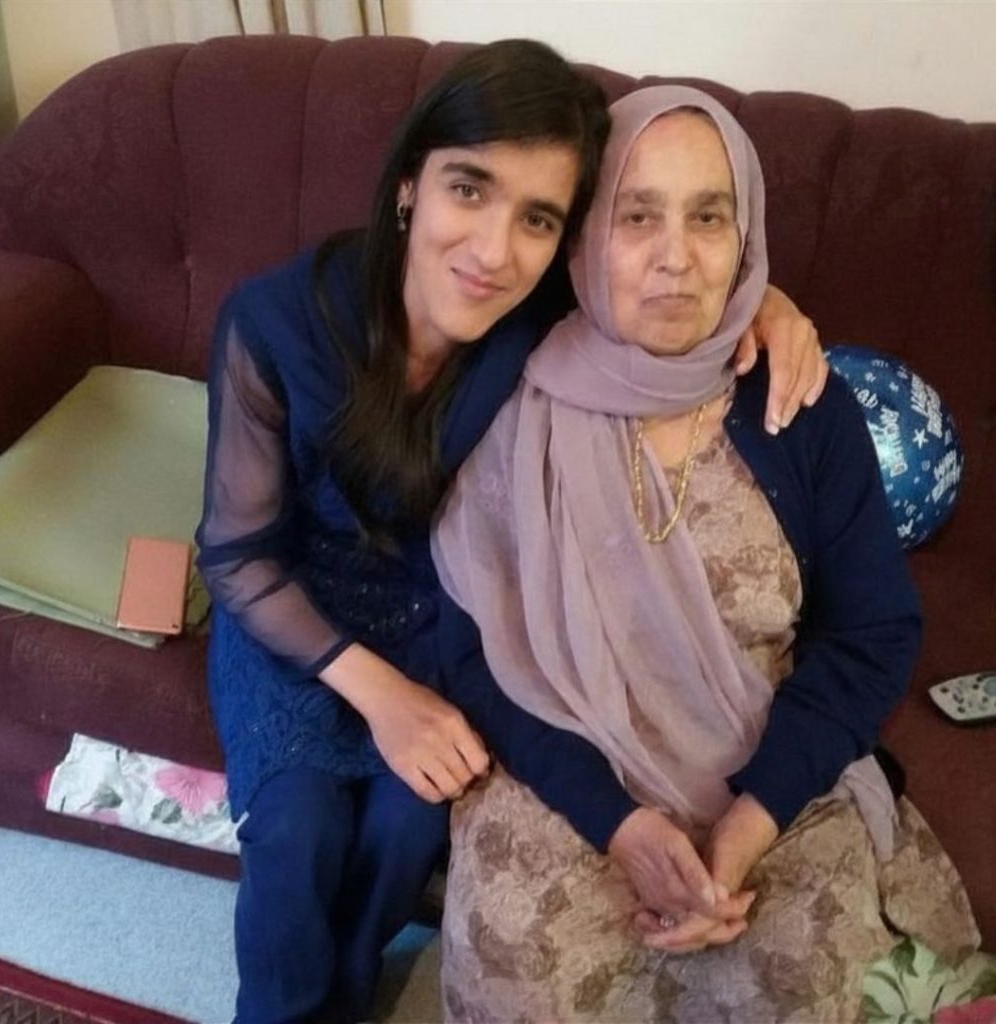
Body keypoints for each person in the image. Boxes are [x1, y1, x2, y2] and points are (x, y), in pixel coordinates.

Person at [196, 43, 826, 1023]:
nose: (492, 250)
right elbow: (236, 559)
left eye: (536, 218)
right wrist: (387, 698)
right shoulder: (275, 323)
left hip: (443, 630)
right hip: (299, 624)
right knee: (296, 833)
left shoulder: (543, 321)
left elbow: (680, 279)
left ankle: (345, 1000)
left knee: (407, 827)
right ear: (410, 182)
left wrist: (776, 306)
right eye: (468, 188)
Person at [432, 85, 980, 1022]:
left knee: (812, 984)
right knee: (520, 953)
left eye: (709, 217)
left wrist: (746, 828)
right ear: (583, 237)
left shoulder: (803, 405)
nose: (675, 258)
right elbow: (476, 649)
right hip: (569, 783)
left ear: (746, 242)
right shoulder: (511, 399)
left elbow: (873, 631)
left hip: (771, 780)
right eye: (637, 216)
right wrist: (619, 824)